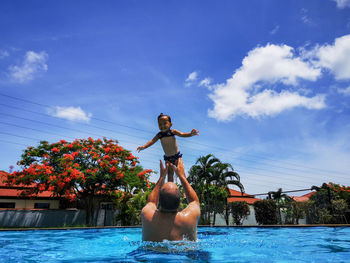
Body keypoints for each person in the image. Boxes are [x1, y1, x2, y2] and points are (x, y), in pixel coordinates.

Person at [141, 159, 200, 242]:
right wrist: (181, 176)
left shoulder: (147, 216)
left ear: (159, 201)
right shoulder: (188, 218)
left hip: (152, 253)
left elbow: (151, 202)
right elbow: (194, 201)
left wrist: (162, 177)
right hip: (183, 252)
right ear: (180, 201)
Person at [137, 113, 199, 181]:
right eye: (160, 124)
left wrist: (191, 134)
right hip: (168, 158)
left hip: (177, 157)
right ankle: (170, 191)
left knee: (181, 174)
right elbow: (152, 141)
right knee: (169, 176)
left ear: (170, 124)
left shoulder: (173, 132)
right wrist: (144, 147)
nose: (162, 126)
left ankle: (185, 191)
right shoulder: (159, 135)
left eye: (165, 123)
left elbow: (182, 134)